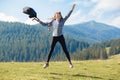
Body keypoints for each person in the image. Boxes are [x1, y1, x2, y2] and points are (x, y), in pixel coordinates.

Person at [34, 4, 76, 68]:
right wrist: (39, 20)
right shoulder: (52, 22)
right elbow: (45, 24)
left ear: (60, 16)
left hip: (61, 37)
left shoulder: (63, 20)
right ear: (55, 16)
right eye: (57, 15)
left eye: (59, 15)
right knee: (51, 50)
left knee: (65, 50)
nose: (58, 16)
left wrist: (72, 9)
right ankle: (47, 63)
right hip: (54, 37)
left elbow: (68, 15)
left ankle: (70, 63)